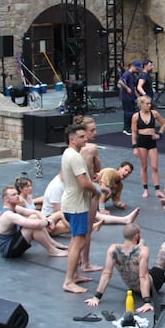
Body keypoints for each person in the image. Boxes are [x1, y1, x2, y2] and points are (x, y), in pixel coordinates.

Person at [85, 224, 165, 314]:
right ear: (136, 236)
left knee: (142, 242)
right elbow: (143, 277)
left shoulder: (112, 249)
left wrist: (97, 297)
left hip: (132, 286)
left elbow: (106, 274)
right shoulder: (144, 250)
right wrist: (146, 302)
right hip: (152, 285)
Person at [60, 123, 98, 293]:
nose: (86, 139)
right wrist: (96, 189)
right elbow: (83, 182)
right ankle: (68, 281)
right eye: (82, 137)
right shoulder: (75, 157)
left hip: (71, 202)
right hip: (76, 205)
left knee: (76, 240)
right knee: (79, 241)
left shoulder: (68, 153)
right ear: (72, 139)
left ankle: (74, 274)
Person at [39, 173, 140, 236]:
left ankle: (125, 219)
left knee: (91, 213)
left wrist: (99, 188)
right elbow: (59, 211)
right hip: (52, 219)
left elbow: (82, 186)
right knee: (73, 226)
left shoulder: (67, 182)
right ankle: (90, 227)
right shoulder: (56, 187)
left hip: (65, 212)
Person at [0, 185, 68, 258]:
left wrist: (46, 220)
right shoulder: (8, 215)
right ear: (6, 199)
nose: (17, 196)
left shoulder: (16, 208)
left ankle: (52, 243)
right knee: (32, 226)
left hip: (13, 242)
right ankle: (52, 250)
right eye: (13, 195)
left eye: (17, 194)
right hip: (8, 250)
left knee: (34, 217)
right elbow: (37, 225)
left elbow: (35, 212)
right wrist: (48, 222)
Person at [76, 114, 104, 273]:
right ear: (84, 132)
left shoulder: (72, 149)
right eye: (92, 130)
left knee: (78, 229)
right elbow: (98, 168)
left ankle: (79, 258)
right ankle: (85, 262)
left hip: (75, 190)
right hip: (89, 190)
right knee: (87, 228)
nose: (95, 133)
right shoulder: (92, 148)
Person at [131, 95, 165, 198]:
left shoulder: (154, 113)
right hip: (141, 141)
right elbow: (134, 132)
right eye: (147, 104)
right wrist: (134, 147)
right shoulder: (136, 116)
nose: (149, 105)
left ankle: (157, 190)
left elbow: (163, 124)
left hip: (152, 141)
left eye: (150, 103)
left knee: (155, 167)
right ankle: (145, 189)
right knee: (144, 166)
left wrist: (159, 134)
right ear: (141, 104)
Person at [119, 60, 141, 135]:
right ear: (132, 66)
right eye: (137, 68)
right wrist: (127, 88)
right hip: (126, 97)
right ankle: (126, 128)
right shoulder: (127, 74)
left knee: (132, 112)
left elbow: (134, 88)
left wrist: (138, 97)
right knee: (128, 113)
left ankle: (130, 127)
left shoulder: (132, 75)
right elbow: (120, 81)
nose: (137, 70)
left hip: (131, 97)